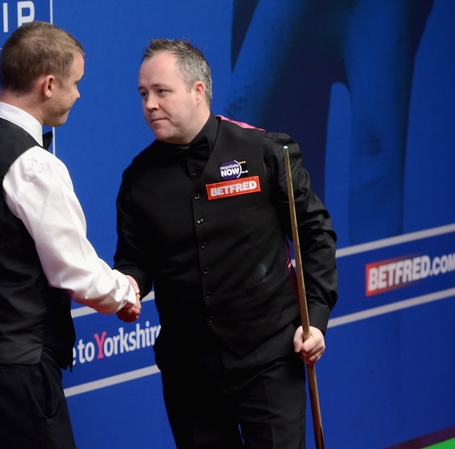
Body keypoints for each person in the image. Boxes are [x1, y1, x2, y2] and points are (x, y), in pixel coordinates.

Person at [114, 38, 338, 448]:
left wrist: (316, 317)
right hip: (190, 373)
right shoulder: (137, 180)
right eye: (143, 94)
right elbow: (134, 258)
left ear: (198, 91)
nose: (149, 104)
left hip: (271, 361)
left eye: (162, 91)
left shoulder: (267, 151)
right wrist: (127, 285)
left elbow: (315, 234)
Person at [0, 21, 141, 449]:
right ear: (48, 84)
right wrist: (125, 291)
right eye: (75, 83)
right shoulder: (36, 165)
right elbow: (76, 273)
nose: (78, 94)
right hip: (18, 372)